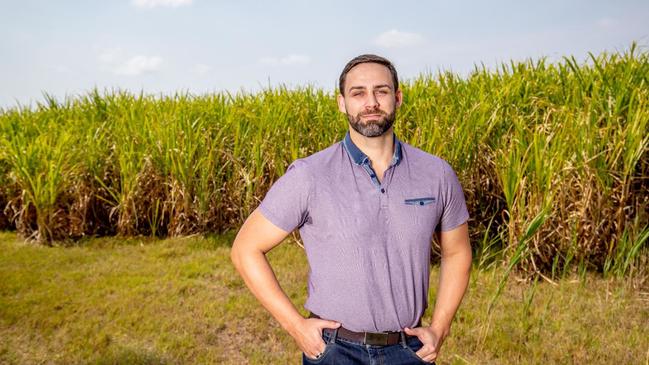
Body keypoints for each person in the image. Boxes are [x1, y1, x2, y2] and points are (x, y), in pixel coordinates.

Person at [230, 54, 471, 364]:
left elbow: (457, 253)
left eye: (381, 91)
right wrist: (296, 326)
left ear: (397, 98)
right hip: (334, 351)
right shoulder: (310, 175)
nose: (370, 102)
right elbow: (245, 249)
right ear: (342, 103)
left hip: (409, 350)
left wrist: (440, 328)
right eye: (358, 93)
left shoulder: (436, 173)